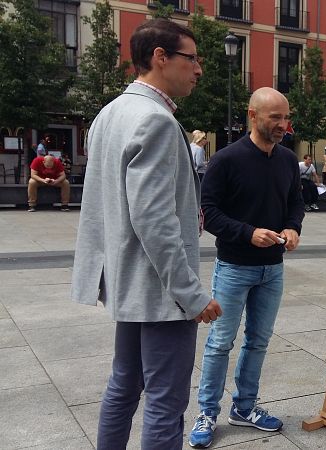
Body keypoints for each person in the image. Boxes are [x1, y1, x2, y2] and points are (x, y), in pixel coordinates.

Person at [71, 19, 222, 450]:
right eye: (191, 58)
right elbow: (155, 221)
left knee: (124, 385)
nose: (198, 70)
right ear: (160, 57)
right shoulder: (154, 120)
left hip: (127, 282)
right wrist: (192, 296)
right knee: (165, 400)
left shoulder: (109, 113)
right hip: (159, 291)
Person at [190, 87, 304, 448]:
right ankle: (207, 412)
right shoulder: (226, 160)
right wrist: (248, 233)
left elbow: (295, 203)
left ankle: (244, 407)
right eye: (275, 118)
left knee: (258, 341)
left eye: (286, 118)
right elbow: (208, 213)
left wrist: (292, 227)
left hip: (273, 269)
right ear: (252, 116)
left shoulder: (287, 159)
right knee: (220, 342)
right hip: (235, 266)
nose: (283, 125)